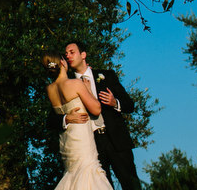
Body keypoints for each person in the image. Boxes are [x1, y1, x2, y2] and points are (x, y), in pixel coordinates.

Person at [48, 41, 142, 190]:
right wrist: (66, 118)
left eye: (72, 52)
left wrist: (114, 102)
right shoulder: (68, 82)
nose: (68, 56)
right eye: (66, 55)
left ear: (83, 54)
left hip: (116, 140)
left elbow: (130, 104)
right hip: (91, 144)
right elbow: (50, 119)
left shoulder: (107, 75)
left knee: (131, 184)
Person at [43, 51, 114, 190]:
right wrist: (88, 90)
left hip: (66, 140)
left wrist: (66, 118)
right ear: (62, 63)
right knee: (89, 172)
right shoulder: (75, 83)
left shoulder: (50, 89)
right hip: (81, 138)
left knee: (73, 173)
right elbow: (96, 109)